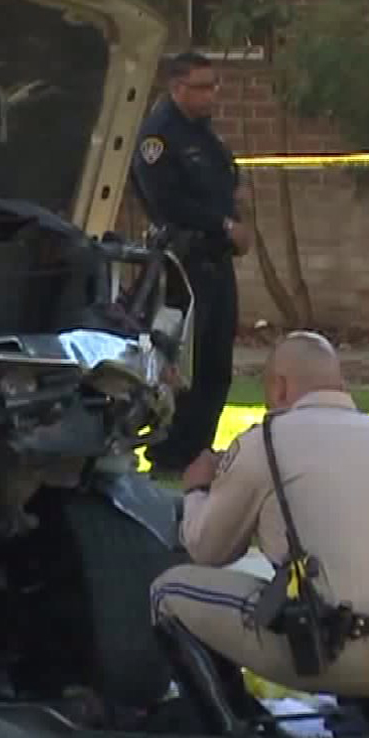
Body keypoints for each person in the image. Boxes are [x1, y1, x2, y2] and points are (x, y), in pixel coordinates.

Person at [148, 331, 369, 738]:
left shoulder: (266, 440)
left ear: (279, 386)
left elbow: (206, 549)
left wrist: (199, 488)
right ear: (340, 385)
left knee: (168, 593)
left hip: (325, 650)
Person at [129, 51, 252, 477]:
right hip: (184, 263)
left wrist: (236, 212)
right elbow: (167, 202)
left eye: (214, 85)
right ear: (177, 88)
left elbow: (224, 181)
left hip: (216, 259)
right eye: (202, 86)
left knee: (217, 362)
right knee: (184, 364)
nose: (211, 94)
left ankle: (199, 450)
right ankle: (169, 454)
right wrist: (220, 223)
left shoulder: (204, 134)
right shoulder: (159, 137)